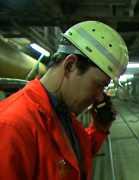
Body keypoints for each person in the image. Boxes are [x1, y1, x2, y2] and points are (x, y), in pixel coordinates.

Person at [0, 21, 128, 180]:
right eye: (98, 85)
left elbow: (73, 159)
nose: (98, 96)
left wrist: (100, 128)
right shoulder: (11, 126)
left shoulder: (62, 112)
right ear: (70, 65)